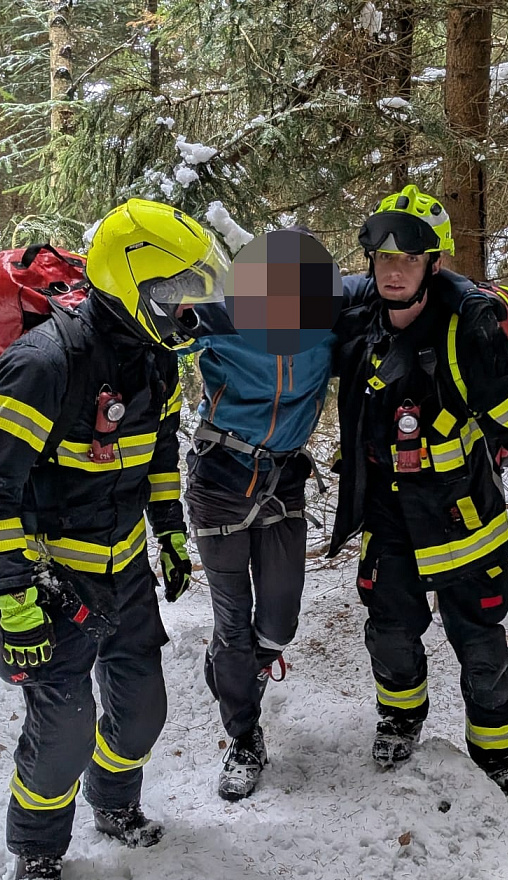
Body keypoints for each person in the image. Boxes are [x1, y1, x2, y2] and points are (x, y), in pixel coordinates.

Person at [0, 199, 226, 880]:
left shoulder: (156, 357)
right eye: (179, 293)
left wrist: (170, 530)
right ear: (134, 284)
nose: (190, 309)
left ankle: (113, 803)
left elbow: (159, 453)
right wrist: (15, 599)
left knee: (141, 714)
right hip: (53, 585)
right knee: (63, 734)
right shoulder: (43, 365)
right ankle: (37, 850)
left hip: (126, 569)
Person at [327, 185, 508, 808]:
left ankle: (499, 760)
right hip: (390, 518)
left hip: (463, 520)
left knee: (480, 648)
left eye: (409, 258)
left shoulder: (469, 331)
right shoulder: (359, 322)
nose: (394, 270)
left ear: (433, 262)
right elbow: (282, 324)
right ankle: (401, 720)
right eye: (384, 257)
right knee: (390, 633)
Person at [178, 229, 343, 801]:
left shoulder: (328, 327)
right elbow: (154, 328)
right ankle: (244, 738)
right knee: (232, 621)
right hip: (219, 479)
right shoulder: (219, 318)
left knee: (278, 623)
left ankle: (239, 667)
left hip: (282, 482)